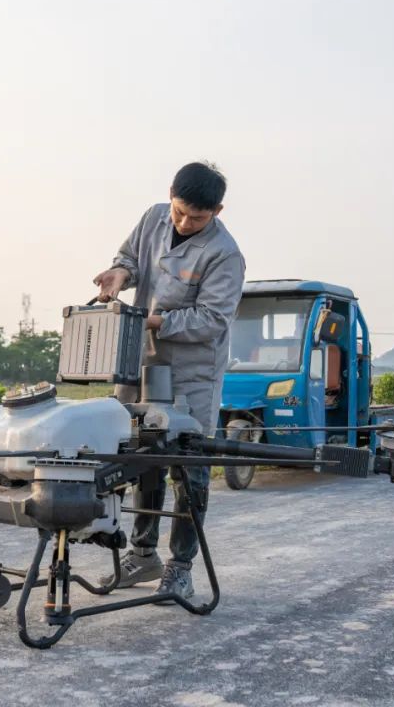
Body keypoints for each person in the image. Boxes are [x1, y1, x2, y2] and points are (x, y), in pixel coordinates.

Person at [93, 161, 245, 600]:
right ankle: (143, 555)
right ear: (170, 196)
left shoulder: (225, 254)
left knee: (189, 469)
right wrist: (119, 274)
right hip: (142, 363)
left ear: (217, 210)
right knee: (142, 459)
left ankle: (181, 565)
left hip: (191, 375)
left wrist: (152, 320)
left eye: (197, 217)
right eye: (180, 211)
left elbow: (212, 320)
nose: (184, 221)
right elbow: (129, 260)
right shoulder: (153, 217)